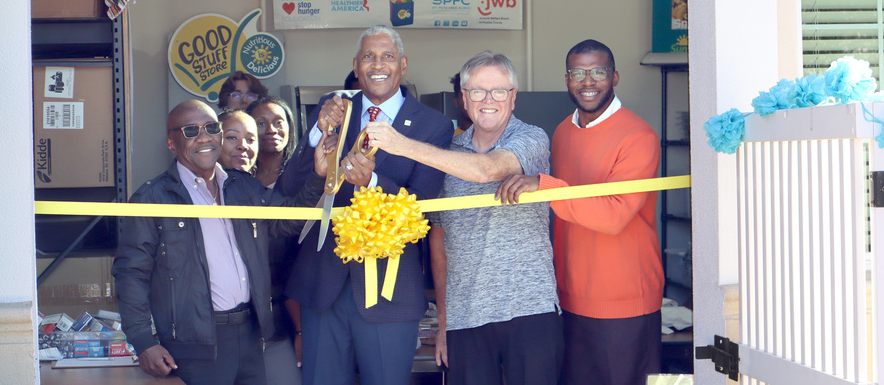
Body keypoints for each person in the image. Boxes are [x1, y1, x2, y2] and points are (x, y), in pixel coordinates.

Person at [365, 51, 562, 385]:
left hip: (530, 309)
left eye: (499, 91)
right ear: (464, 99)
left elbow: (486, 171)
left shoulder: (531, 138)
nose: (488, 100)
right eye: (477, 91)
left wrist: (401, 144)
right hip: (465, 317)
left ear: (512, 98)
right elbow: (439, 243)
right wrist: (443, 321)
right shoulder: (447, 155)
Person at [112, 100, 333, 385]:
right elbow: (131, 273)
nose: (204, 137)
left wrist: (318, 176)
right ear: (171, 143)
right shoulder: (153, 198)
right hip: (196, 343)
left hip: (251, 333)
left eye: (211, 128)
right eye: (190, 130)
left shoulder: (243, 186)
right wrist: (143, 341)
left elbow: (287, 221)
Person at [280, 25, 453, 385]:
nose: (378, 64)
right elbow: (291, 186)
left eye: (388, 56)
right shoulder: (334, 108)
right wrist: (318, 130)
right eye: (368, 57)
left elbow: (421, 206)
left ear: (403, 65)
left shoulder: (432, 125)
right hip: (322, 285)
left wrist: (372, 183)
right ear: (355, 66)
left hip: (389, 292)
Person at [497, 39, 664, 385]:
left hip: (624, 303)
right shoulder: (561, 132)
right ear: (567, 79)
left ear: (614, 77)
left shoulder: (638, 136)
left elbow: (613, 216)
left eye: (598, 72)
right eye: (578, 73)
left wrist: (543, 186)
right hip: (569, 298)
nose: (588, 81)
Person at [246, 95, 305, 385]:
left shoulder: (303, 177)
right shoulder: (234, 179)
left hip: (290, 309)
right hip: (244, 311)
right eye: (261, 123)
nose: (271, 129)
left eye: (278, 122)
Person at [218, 107, 257, 172]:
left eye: (250, 139)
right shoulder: (198, 181)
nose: (243, 146)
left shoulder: (256, 182)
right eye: (232, 137)